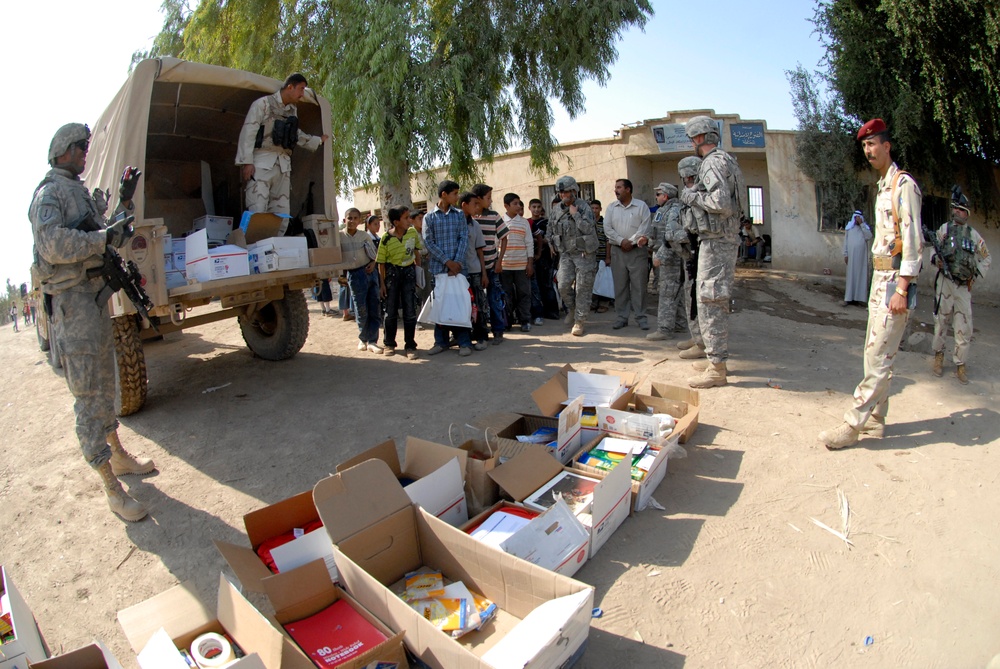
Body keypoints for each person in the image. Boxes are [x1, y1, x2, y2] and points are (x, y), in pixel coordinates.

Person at [28, 122, 155, 522]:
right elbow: (53, 244)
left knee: (105, 383)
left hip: (93, 300)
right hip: (72, 303)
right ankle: (110, 487)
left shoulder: (79, 192)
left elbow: (107, 237)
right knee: (88, 395)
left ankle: (117, 455)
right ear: (62, 150)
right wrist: (101, 238)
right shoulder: (49, 195)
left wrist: (123, 202)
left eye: (86, 147)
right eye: (80, 147)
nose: (85, 153)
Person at [818, 118, 923, 450]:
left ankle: (853, 424)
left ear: (886, 146)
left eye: (873, 144)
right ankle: (877, 418)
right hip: (880, 279)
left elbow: (913, 240)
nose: (868, 150)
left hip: (895, 281)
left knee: (878, 355)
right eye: (864, 145)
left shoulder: (903, 186)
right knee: (877, 353)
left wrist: (903, 288)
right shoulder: (883, 187)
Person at [679, 116, 745, 388]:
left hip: (717, 242)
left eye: (692, 139)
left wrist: (690, 196)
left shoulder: (712, 162)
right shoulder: (727, 160)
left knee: (710, 302)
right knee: (711, 300)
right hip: (721, 240)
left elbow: (720, 202)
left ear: (698, 138)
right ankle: (713, 360)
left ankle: (717, 368)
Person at [236, 73, 328, 216]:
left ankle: (277, 238)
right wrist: (247, 162)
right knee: (257, 207)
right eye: (301, 89)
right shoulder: (263, 104)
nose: (302, 94)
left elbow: (294, 134)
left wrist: (317, 141)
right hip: (262, 162)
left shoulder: (292, 111)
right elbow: (249, 132)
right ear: (290, 87)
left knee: (281, 212)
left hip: (283, 166)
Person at [930, 188, 991, 384]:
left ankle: (960, 364)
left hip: (963, 287)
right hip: (945, 283)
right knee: (941, 322)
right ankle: (938, 356)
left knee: (964, 327)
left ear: (966, 213)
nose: (956, 212)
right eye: (955, 209)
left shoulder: (974, 235)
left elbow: (986, 257)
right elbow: (933, 251)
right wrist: (936, 261)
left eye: (960, 210)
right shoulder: (944, 229)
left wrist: (975, 275)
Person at [423, 180, 474, 356]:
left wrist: (457, 262)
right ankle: (441, 341)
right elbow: (429, 242)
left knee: (460, 304)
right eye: (454, 193)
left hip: (458, 269)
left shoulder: (459, 215)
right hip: (440, 269)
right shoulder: (429, 217)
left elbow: (463, 238)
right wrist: (447, 262)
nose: (457, 197)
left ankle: (464, 342)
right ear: (444, 194)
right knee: (441, 305)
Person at [547, 176, 598, 336]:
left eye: (565, 192)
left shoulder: (584, 207)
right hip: (566, 254)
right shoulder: (556, 209)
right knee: (562, 285)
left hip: (583, 253)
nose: (562, 195)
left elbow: (589, 229)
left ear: (574, 191)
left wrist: (575, 215)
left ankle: (579, 322)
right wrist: (551, 243)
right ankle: (573, 309)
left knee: (582, 288)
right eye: (560, 192)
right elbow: (550, 228)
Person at [603, 178, 652, 330]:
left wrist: (630, 242)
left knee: (639, 286)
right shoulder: (611, 208)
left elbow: (645, 228)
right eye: (615, 187)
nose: (615, 190)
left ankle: (641, 317)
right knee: (620, 286)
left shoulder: (641, 206)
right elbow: (608, 229)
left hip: (637, 251)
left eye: (619, 187)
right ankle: (622, 317)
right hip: (618, 251)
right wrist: (621, 241)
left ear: (628, 189)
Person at [377, 206, 423, 359]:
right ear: (396, 222)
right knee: (390, 311)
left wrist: (418, 274)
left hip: (409, 273)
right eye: (406, 218)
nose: (409, 220)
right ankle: (389, 343)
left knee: (410, 311)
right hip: (392, 274)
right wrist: (382, 284)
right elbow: (381, 263)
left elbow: (417, 254)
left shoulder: (412, 233)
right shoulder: (386, 238)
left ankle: (410, 345)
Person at [647, 183, 690, 341]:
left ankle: (664, 329)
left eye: (658, 194)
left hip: (671, 258)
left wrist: (661, 256)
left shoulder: (674, 211)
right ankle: (679, 323)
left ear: (665, 196)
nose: (656, 197)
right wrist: (648, 241)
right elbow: (657, 231)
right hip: (661, 254)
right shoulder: (661, 210)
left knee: (667, 292)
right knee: (674, 292)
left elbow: (671, 237)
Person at [471, 184, 509, 344]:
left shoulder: (493, 216)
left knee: (494, 299)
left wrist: (499, 261)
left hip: (492, 265)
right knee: (477, 302)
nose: (491, 200)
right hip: (474, 268)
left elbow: (504, 238)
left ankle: (498, 331)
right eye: (488, 197)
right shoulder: (470, 218)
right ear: (478, 199)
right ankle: (480, 332)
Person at [341, 208, 382, 353]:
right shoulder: (339, 237)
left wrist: (373, 263)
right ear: (344, 219)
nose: (352, 221)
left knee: (374, 307)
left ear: (359, 221)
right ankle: (362, 339)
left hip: (369, 272)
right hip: (354, 275)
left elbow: (375, 254)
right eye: (349, 218)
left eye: (355, 218)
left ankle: (373, 341)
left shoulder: (364, 235)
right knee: (360, 309)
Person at [676, 156, 705, 354]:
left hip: (703, 252)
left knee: (701, 299)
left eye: (690, 177)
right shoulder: (688, 197)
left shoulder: (703, 196)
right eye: (685, 178)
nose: (687, 180)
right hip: (691, 254)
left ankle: (704, 343)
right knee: (690, 295)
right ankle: (697, 337)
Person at [500, 193, 535, 332]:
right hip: (505, 265)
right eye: (515, 203)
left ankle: (525, 320)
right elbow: (497, 243)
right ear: (506, 206)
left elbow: (529, 243)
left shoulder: (524, 222)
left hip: (521, 265)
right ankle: (507, 320)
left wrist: (530, 263)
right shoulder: (501, 221)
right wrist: (498, 263)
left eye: (519, 203)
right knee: (506, 294)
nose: (518, 206)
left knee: (524, 293)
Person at [460, 193, 490, 350]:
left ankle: (482, 336)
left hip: (474, 271)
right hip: (458, 272)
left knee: (478, 305)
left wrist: (484, 273)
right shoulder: (454, 223)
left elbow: (480, 251)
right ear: (464, 205)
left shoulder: (475, 225)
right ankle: (461, 337)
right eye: (475, 204)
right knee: (461, 306)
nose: (477, 208)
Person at [528, 198, 559, 323]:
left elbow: (547, 239)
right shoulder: (527, 222)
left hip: (545, 258)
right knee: (535, 286)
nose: (536, 209)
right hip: (531, 258)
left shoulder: (545, 223)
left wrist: (533, 239)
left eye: (538, 207)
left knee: (547, 284)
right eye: (533, 207)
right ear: (529, 208)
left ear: (542, 208)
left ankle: (552, 312)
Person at [842, 211, 872, 306]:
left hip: (861, 259)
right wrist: (845, 254)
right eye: (856, 218)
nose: (857, 220)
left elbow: (869, 236)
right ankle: (848, 298)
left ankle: (858, 299)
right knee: (851, 277)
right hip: (851, 257)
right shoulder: (849, 228)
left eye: (858, 218)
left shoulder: (864, 229)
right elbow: (845, 243)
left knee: (860, 276)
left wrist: (862, 224)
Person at [590, 200, 612, 313]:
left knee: (604, 280)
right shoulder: (588, 223)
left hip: (603, 257)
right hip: (591, 257)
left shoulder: (604, 223)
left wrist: (608, 257)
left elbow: (609, 241)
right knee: (592, 281)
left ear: (600, 209)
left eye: (596, 208)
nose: (594, 210)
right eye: (592, 208)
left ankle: (604, 304)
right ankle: (593, 303)